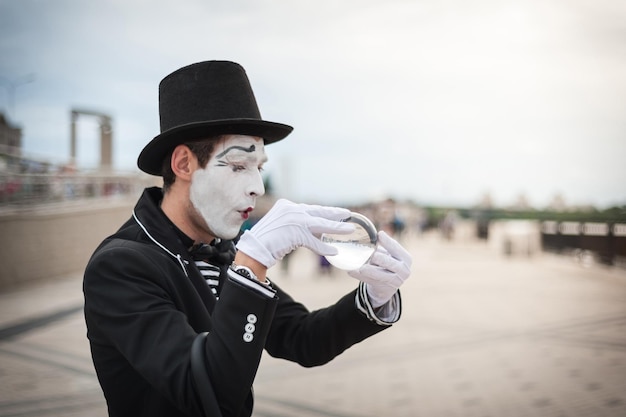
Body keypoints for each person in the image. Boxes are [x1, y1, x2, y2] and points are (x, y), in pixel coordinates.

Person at [83, 60, 412, 417]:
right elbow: (206, 392)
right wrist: (253, 261)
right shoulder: (120, 266)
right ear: (183, 164)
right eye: (239, 166)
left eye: (259, 168)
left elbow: (302, 339)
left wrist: (374, 298)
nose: (256, 187)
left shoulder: (223, 251)